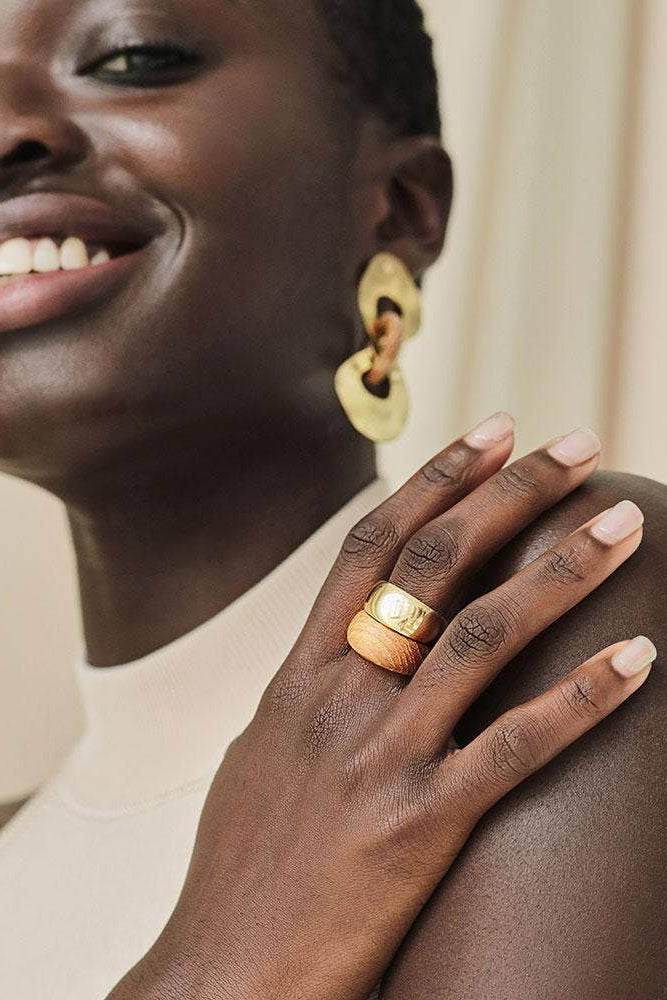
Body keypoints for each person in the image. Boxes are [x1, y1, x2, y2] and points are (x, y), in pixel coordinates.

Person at [0, 1, 665, 997]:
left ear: (397, 205)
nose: (10, 128)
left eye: (133, 57)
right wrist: (230, 957)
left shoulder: (536, 619)